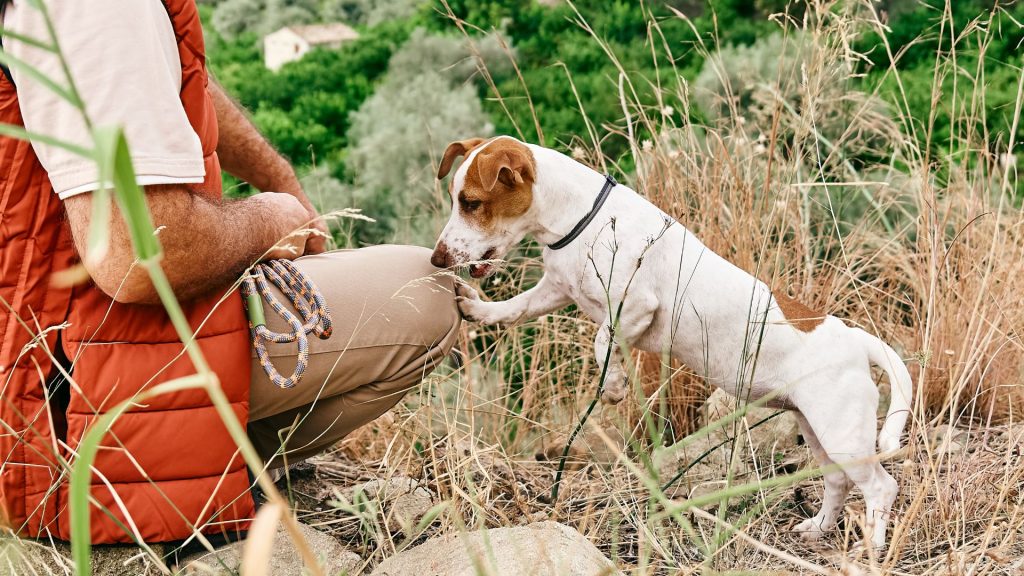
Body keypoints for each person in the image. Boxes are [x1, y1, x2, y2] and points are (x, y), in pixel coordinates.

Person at [0, 0, 460, 545]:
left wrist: (280, 179)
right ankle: (182, 474)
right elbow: (141, 258)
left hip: (33, 351)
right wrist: (274, 218)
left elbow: (168, 70)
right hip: (53, 408)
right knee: (426, 294)